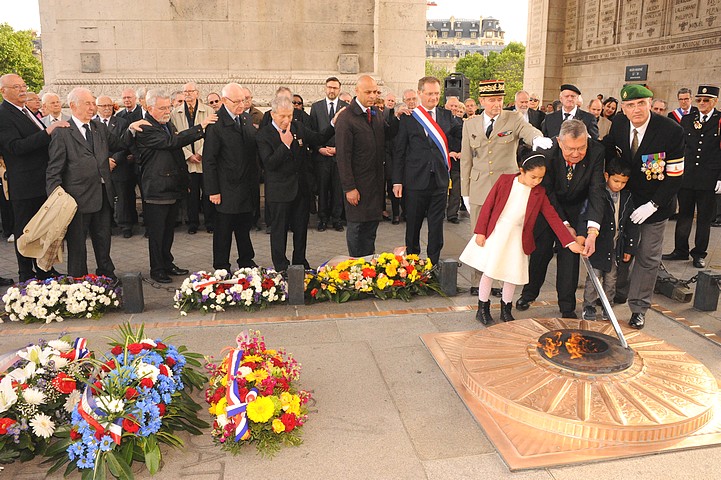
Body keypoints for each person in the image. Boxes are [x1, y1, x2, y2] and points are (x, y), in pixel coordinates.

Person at [460, 152, 583, 324]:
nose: (536, 181)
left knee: (512, 274)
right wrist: (480, 232)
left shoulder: (539, 192)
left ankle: (506, 308)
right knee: (489, 272)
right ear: (521, 170)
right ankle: (482, 308)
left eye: (540, 178)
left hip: (518, 237)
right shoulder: (505, 181)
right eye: (533, 177)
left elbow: (552, 217)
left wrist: (569, 242)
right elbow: (488, 205)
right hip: (498, 232)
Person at [602, 84, 685, 329]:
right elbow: (607, 149)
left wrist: (653, 204)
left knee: (647, 256)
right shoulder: (618, 123)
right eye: (630, 105)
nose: (636, 109)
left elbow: (675, 175)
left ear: (650, 103)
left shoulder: (671, 131)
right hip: (625, 200)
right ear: (623, 109)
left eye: (641, 103)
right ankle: (619, 292)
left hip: (655, 204)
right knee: (620, 248)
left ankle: (639, 307)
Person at [460, 79, 550, 295]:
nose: (496, 104)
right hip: (479, 187)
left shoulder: (513, 118)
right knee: (479, 235)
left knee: (504, 236)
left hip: (507, 191)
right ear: (482, 100)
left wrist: (538, 139)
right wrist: (465, 191)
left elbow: (529, 131)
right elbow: (466, 160)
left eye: (499, 99)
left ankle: (499, 282)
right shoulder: (469, 124)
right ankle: (477, 280)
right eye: (491, 100)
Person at [516, 120, 605, 318]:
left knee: (569, 259)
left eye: (581, 148)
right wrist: (563, 225)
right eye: (570, 149)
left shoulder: (597, 152)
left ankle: (567, 306)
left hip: (578, 210)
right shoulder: (548, 154)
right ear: (559, 142)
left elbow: (596, 191)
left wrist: (590, 231)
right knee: (541, 252)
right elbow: (547, 194)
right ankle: (529, 293)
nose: (576, 154)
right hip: (550, 209)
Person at [46, 87, 133, 279]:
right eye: (88, 103)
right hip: (75, 199)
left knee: (103, 240)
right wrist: (56, 199)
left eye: (93, 103)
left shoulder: (98, 127)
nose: (92, 107)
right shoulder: (63, 132)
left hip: (102, 194)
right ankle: (78, 281)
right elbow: (54, 169)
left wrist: (132, 129)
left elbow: (120, 144)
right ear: (73, 105)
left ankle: (107, 276)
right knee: (77, 244)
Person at [135, 89, 216, 283]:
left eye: (168, 107)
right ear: (149, 108)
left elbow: (177, 154)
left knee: (168, 230)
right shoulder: (145, 127)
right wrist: (200, 127)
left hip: (171, 186)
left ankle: (167, 263)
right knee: (157, 233)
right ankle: (157, 269)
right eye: (162, 108)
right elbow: (171, 142)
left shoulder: (166, 124)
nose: (167, 111)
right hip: (156, 189)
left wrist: (184, 181)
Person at [0, 73, 69, 282]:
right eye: (16, 87)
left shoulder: (27, 111)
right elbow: (15, 147)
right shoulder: (3, 114)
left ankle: (44, 269)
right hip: (24, 184)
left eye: (23, 86)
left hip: (42, 182)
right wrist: (48, 131)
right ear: (4, 91)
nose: (22, 90)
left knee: (44, 229)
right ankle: (26, 275)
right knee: (25, 231)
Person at [257, 95, 336, 271]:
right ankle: (281, 266)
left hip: (301, 190)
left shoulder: (298, 127)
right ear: (272, 114)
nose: (287, 120)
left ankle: (300, 261)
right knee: (279, 231)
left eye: (290, 116)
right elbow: (268, 163)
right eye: (282, 116)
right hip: (279, 192)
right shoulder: (264, 134)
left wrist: (333, 124)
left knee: (301, 230)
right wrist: (284, 146)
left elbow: (318, 138)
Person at [392, 76, 462, 265]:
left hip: (439, 180)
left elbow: (463, 135)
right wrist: (396, 181)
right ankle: (412, 263)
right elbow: (399, 151)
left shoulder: (447, 116)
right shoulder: (408, 117)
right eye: (430, 93)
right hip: (415, 180)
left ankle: (434, 263)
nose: (434, 97)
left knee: (436, 225)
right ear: (420, 93)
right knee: (413, 225)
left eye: (437, 93)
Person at [662, 85, 721, 269]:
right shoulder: (688, 120)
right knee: (684, 215)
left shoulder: (719, 121)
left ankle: (699, 253)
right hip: (687, 176)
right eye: (699, 100)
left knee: (704, 219)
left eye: (707, 100)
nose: (702, 103)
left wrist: (720, 177)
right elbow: (680, 146)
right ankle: (680, 250)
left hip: (709, 178)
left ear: (715, 101)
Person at [203, 83, 259, 271]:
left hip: (246, 186)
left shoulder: (245, 118)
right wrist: (213, 190)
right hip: (225, 188)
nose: (241, 104)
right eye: (236, 101)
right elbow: (209, 160)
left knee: (244, 228)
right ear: (225, 101)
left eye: (243, 100)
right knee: (223, 231)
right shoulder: (216, 124)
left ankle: (246, 261)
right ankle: (221, 265)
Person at [580, 157, 638, 320]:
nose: (619, 185)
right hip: (598, 245)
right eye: (616, 181)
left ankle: (607, 305)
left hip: (615, 246)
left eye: (623, 182)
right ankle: (589, 305)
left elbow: (632, 224)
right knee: (594, 277)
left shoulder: (626, 197)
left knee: (611, 278)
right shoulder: (598, 194)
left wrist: (629, 248)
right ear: (606, 176)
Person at [335, 75, 386, 257]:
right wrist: (349, 188)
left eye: (375, 92)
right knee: (357, 230)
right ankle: (356, 269)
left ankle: (368, 269)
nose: (372, 96)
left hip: (374, 185)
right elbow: (343, 156)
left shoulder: (377, 114)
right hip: (357, 187)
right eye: (368, 92)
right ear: (357, 91)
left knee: (370, 230)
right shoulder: (346, 118)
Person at [170, 82, 216, 234]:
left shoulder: (209, 111)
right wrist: (188, 155)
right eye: (185, 92)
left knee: (208, 191)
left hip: (205, 159)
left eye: (191, 91)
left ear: (197, 93)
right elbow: (175, 137)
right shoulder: (175, 113)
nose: (188, 94)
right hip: (187, 160)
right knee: (192, 194)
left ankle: (210, 222)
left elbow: (213, 136)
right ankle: (193, 223)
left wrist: (201, 153)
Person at [310, 77, 348, 232]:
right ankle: (322, 219)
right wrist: (318, 148)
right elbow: (312, 131)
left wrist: (339, 149)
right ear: (325, 88)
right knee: (323, 188)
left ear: (339, 89)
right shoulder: (316, 107)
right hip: (322, 156)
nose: (332, 90)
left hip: (339, 156)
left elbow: (348, 133)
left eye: (335, 88)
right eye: (329, 87)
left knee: (338, 189)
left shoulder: (346, 107)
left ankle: (337, 219)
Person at [95, 95, 134, 238]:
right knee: (104, 197)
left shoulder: (122, 122)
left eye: (109, 106)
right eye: (103, 106)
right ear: (97, 107)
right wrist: (104, 162)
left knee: (122, 197)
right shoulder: (92, 123)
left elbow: (125, 143)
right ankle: (107, 225)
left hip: (119, 165)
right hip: (100, 167)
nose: (107, 109)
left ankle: (125, 226)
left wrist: (113, 160)